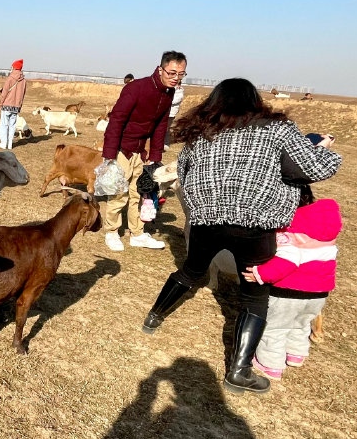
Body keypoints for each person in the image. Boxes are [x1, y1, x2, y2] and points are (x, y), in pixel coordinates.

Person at [141, 79, 342, 393]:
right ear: (255, 101)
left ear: (214, 102)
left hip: (206, 219)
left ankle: (153, 316)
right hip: (256, 225)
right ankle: (238, 372)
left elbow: (183, 170)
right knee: (254, 294)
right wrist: (326, 151)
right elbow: (313, 169)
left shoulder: (201, 133)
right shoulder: (278, 130)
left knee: (191, 271)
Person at [247, 161, 342, 381]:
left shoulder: (291, 229)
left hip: (289, 291)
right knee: (300, 324)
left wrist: (260, 274)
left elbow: (288, 259)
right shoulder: (324, 230)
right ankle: (297, 354)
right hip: (319, 294)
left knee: (276, 328)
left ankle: (269, 364)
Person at [99, 51, 187, 251]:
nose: (176, 78)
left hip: (141, 152)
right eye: (172, 73)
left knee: (140, 193)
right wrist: (110, 155)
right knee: (118, 192)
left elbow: (160, 126)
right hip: (123, 148)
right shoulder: (136, 88)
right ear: (161, 69)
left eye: (181, 74)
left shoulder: (168, 93)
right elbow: (117, 120)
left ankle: (137, 233)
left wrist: (155, 157)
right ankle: (112, 232)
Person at [0, 59, 27, 150]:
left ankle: (3, 143)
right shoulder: (24, 81)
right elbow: (23, 94)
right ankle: (10, 144)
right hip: (16, 107)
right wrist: (19, 105)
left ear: (14, 67)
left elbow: (4, 93)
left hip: (6, 105)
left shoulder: (10, 78)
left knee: (4, 125)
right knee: (13, 126)